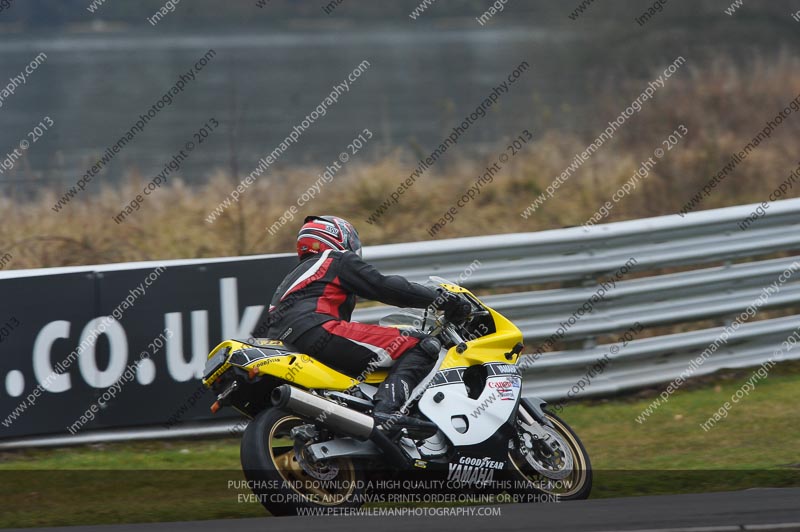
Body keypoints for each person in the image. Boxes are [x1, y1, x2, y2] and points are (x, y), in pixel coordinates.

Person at [266, 215, 470, 430]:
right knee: (420, 344)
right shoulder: (335, 259)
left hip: (285, 343)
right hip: (318, 330)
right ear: (339, 237)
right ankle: (386, 412)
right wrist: (441, 298)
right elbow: (387, 287)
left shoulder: (292, 278)